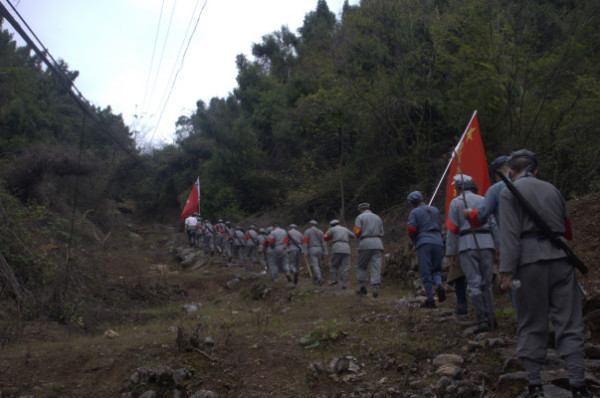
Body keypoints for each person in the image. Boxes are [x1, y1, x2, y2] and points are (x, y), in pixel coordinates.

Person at [498, 149, 590, 398]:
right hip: (562, 260)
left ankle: (535, 385)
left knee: (531, 322)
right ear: (535, 170)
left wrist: (506, 271)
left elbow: (509, 236)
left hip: (529, 264)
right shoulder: (553, 190)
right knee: (570, 322)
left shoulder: (508, 193)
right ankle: (579, 384)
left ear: (511, 171)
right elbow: (567, 230)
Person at [463, 155, 518, 318]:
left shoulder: (496, 189)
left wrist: (469, 214)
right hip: (538, 242)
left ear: (496, 172)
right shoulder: (536, 185)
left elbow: (482, 216)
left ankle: (521, 319)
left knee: (514, 282)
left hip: (509, 242)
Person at [446, 174, 499, 333]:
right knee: (487, 282)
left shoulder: (456, 203)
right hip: (487, 242)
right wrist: (498, 245)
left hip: (467, 244)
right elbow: (493, 224)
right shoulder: (483, 200)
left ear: (458, 187)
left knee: (474, 282)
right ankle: (491, 316)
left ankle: (482, 318)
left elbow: (453, 229)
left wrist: (450, 252)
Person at [405, 191, 446, 308]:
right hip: (438, 241)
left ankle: (430, 299)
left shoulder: (414, 212)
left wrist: (414, 239)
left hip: (424, 242)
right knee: (436, 269)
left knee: (425, 271)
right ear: (422, 199)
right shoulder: (435, 210)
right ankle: (439, 284)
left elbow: (411, 229)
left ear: (412, 203)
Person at [353, 203, 384, 298]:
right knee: (376, 266)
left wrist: (357, 236)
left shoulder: (360, 217)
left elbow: (357, 231)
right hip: (378, 243)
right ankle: (375, 288)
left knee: (360, 266)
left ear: (361, 209)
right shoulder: (378, 217)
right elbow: (382, 232)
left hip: (365, 243)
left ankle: (363, 287)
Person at [323, 219, 354, 289]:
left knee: (333, 265)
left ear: (331, 225)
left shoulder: (332, 229)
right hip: (346, 248)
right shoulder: (345, 229)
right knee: (345, 267)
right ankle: (344, 283)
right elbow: (353, 236)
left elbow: (325, 237)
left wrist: (328, 231)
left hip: (336, 248)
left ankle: (335, 281)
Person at [302, 220, 328, 285]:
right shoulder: (321, 232)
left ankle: (319, 278)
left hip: (312, 249)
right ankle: (315, 281)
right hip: (320, 249)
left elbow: (305, 242)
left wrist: (304, 251)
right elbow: (323, 243)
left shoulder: (307, 231)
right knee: (318, 265)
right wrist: (325, 252)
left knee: (315, 265)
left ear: (310, 225)